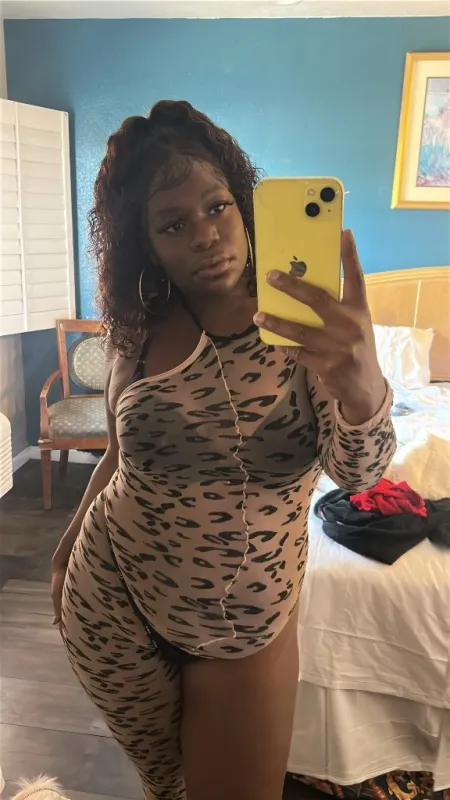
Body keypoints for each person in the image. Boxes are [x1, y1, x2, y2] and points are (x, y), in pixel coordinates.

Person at [51, 100, 396, 800]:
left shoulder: (303, 326)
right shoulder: (136, 330)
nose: (205, 236)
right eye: (173, 224)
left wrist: (365, 387)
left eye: (216, 208)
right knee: (164, 787)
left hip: (242, 630)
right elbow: (119, 455)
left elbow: (357, 472)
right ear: (147, 243)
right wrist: (63, 552)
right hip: (108, 602)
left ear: (244, 203)